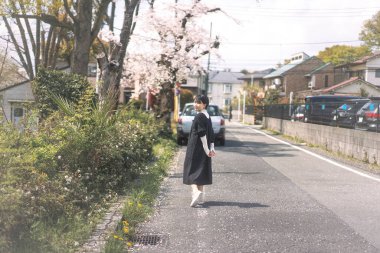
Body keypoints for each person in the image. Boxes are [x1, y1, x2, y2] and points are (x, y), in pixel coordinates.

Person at [183, 94, 216, 207]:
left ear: (204, 104)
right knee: (201, 170)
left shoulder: (199, 116)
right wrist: (211, 147)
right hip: (204, 148)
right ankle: (200, 197)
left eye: (198, 102)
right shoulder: (207, 116)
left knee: (190, 170)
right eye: (195, 102)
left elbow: (202, 134)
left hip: (196, 146)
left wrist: (207, 149)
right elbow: (211, 133)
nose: (195, 104)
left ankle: (196, 192)